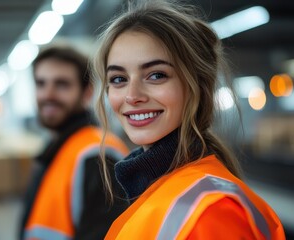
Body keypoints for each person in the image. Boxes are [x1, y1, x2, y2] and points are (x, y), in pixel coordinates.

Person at [92, 1, 286, 239]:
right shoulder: (156, 190)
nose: (132, 96)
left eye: (156, 75)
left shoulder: (211, 212)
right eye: (119, 79)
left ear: (198, 86)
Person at [20, 46, 129, 240]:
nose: (48, 95)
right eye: (41, 84)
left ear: (87, 93)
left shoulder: (99, 156)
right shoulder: (59, 147)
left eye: (61, 84)